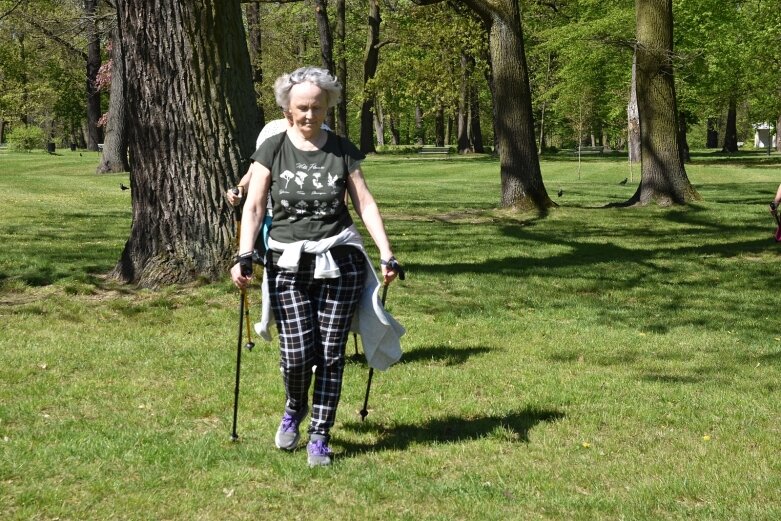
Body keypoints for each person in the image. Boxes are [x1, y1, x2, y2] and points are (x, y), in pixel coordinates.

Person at [230, 66, 403, 467]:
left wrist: (386, 252)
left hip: (339, 259)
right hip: (286, 262)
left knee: (329, 355)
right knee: (296, 354)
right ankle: (295, 406)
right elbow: (254, 206)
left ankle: (320, 434)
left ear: (328, 108)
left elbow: (365, 203)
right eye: (302, 108)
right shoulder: (271, 147)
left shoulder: (341, 150)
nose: (310, 115)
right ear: (288, 109)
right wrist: (243, 255)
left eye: (318, 108)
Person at [226, 119, 330, 207]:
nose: (289, 112)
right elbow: (254, 171)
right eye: (284, 107)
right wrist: (241, 188)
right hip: (271, 213)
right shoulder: (270, 130)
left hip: (313, 214)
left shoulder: (324, 132)